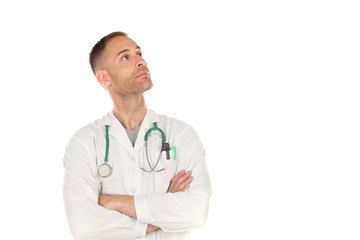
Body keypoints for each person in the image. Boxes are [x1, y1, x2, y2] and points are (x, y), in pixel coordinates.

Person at [63, 31, 211, 240]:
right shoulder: (85, 142)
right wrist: (165, 208)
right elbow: (84, 226)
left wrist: (114, 201)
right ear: (104, 77)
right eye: (126, 57)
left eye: (139, 53)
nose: (141, 61)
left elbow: (195, 212)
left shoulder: (180, 134)